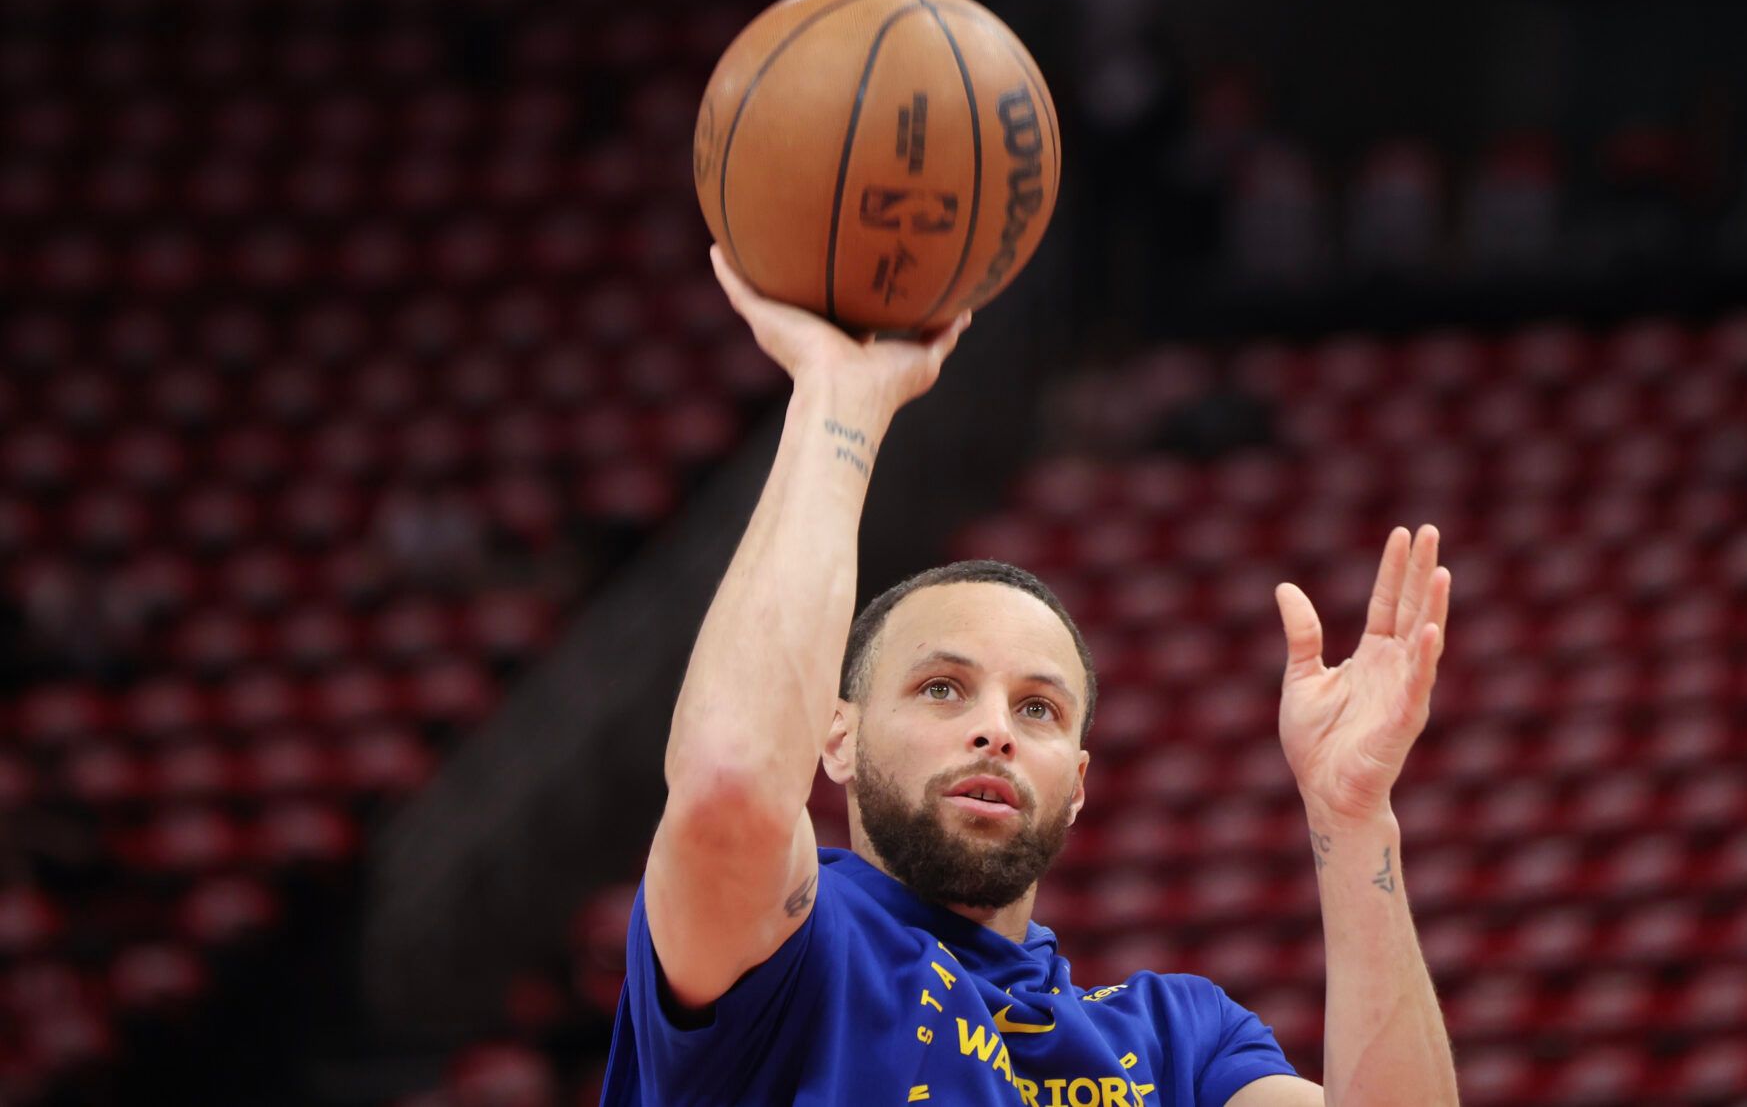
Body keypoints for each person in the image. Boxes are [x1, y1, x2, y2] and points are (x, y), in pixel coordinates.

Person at [599, 246, 1460, 1106]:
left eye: (1040, 708)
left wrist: (1352, 823)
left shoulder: (1179, 1042)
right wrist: (839, 399)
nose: (996, 729)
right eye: (942, 688)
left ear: (1079, 784)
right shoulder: (791, 945)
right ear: (838, 737)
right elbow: (729, 782)